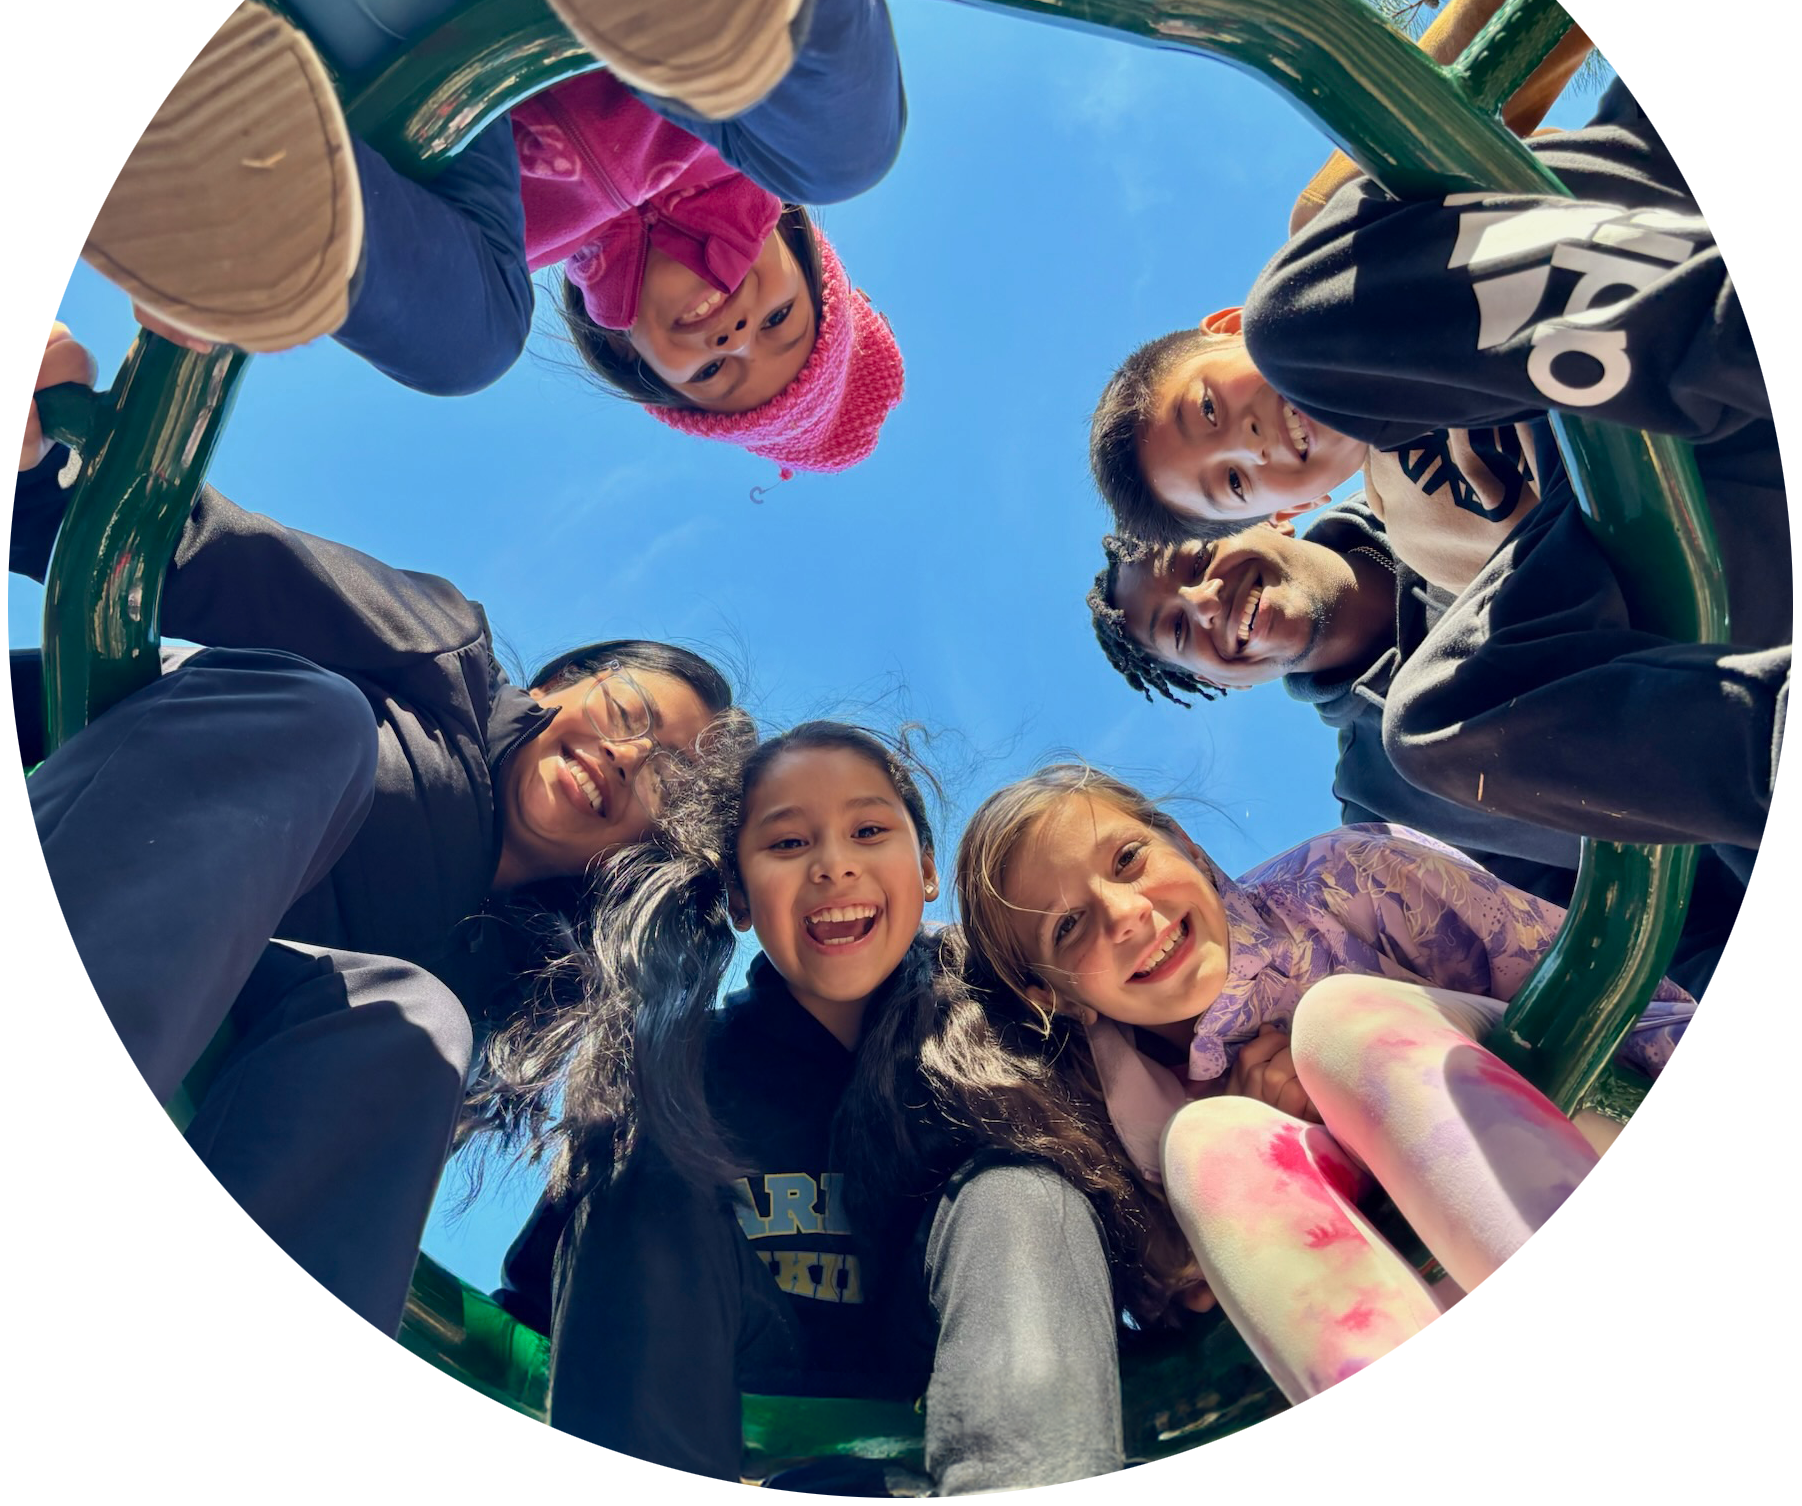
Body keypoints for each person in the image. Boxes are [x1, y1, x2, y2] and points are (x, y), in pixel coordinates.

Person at [7, 318, 733, 1497]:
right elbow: (202, 550)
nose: (629, 758)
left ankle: (144, 1460)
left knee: (412, 1026)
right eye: (630, 710)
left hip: (103, 1168)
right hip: (82, 900)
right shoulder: (437, 663)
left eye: (671, 778)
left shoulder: (513, 986)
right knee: (318, 719)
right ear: (559, 685)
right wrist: (48, 464)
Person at [14, 0, 1029, 476]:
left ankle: (162, 81)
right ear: (796, 255)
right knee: (844, 153)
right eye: (780, 322)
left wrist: (210, 245)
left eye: (715, 374)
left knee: (467, 346)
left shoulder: (507, 249)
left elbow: (394, 243)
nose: (732, 334)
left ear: (634, 362)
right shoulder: (749, 144)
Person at [949, 765, 1792, 1498]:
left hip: (1686, 1239)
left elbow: (1635, 1011)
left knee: (1338, 1020)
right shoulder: (1126, 1130)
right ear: (1059, 996)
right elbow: (1176, 1312)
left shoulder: (1347, 882)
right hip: (1554, 1430)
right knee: (1210, 1148)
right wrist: (1218, 1208)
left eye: (1129, 860)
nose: (1124, 914)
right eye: (1068, 928)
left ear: (1184, 847)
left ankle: (1754, 1476)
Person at [1088, 73, 1792, 851]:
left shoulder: (1324, 270)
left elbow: (1519, 7)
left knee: (1295, 328)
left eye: (1209, 410)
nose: (1248, 443)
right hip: (1718, 467)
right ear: (1281, 509)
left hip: (1701, 249)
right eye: (1233, 481)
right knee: (1429, 725)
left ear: (1224, 326)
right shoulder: (1426, 541)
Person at [467, 721, 1126, 1497]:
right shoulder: (681, 1068)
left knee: (1026, 1193)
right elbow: (553, 1297)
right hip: (731, 1367)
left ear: (924, 870)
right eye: (787, 844)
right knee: (644, 1186)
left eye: (869, 830)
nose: (834, 864)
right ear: (741, 899)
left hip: (944, 1369)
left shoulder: (1011, 1043)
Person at [1084, 507, 1793, 993]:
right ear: (1219, 684)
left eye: (1201, 557)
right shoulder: (1380, 812)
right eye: (1180, 631)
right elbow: (1593, 929)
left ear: (1268, 513)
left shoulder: (1435, 466)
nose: (1207, 602)